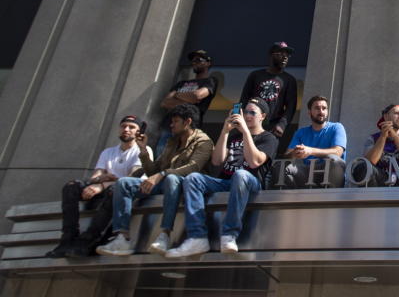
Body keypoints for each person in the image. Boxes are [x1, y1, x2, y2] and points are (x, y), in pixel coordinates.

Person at [165, 98, 278, 257]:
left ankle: (229, 234)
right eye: (245, 112)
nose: (247, 115)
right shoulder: (233, 137)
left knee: (241, 174)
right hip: (227, 182)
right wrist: (225, 131)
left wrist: (245, 131)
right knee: (193, 179)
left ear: (263, 116)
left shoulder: (268, 138)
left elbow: (254, 162)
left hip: (250, 183)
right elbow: (217, 160)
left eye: (252, 112)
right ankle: (197, 237)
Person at [97, 104, 213, 256]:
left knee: (171, 178)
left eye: (175, 121)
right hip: (164, 184)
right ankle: (122, 238)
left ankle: (164, 234)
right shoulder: (172, 142)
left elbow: (193, 167)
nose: (171, 125)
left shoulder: (204, 141)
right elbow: (154, 170)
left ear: (187, 122)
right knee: (123, 183)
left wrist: (161, 175)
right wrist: (143, 150)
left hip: (186, 187)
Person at [45, 115, 151, 258]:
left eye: (131, 127)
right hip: (106, 188)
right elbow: (95, 177)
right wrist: (101, 180)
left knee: (115, 189)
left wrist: (103, 184)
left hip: (126, 192)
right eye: (123, 126)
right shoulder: (108, 152)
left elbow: (130, 179)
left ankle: (87, 240)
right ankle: (68, 239)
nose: (126, 129)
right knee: (71, 186)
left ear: (139, 132)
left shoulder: (143, 150)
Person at [156, 49, 218, 153]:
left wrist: (177, 95)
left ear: (208, 63)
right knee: (161, 156)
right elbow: (165, 102)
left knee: (179, 159)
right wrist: (189, 102)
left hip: (187, 128)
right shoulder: (182, 83)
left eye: (198, 60)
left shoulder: (210, 81)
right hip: (168, 126)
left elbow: (197, 96)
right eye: (193, 61)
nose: (194, 63)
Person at [283, 95, 347, 188]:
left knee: (334, 159)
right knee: (285, 168)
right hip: (308, 172)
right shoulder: (301, 132)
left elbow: (338, 152)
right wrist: (295, 153)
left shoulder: (337, 127)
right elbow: (287, 156)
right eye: (317, 108)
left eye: (324, 108)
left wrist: (310, 151)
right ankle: (293, 200)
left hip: (331, 171)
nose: (321, 111)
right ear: (309, 112)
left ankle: (331, 199)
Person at [239, 41, 297, 139]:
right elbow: (243, 98)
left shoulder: (289, 80)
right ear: (271, 55)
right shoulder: (255, 75)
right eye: (281, 53)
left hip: (273, 127)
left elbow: (291, 106)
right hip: (251, 123)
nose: (285, 57)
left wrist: (282, 125)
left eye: (287, 54)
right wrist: (236, 116)